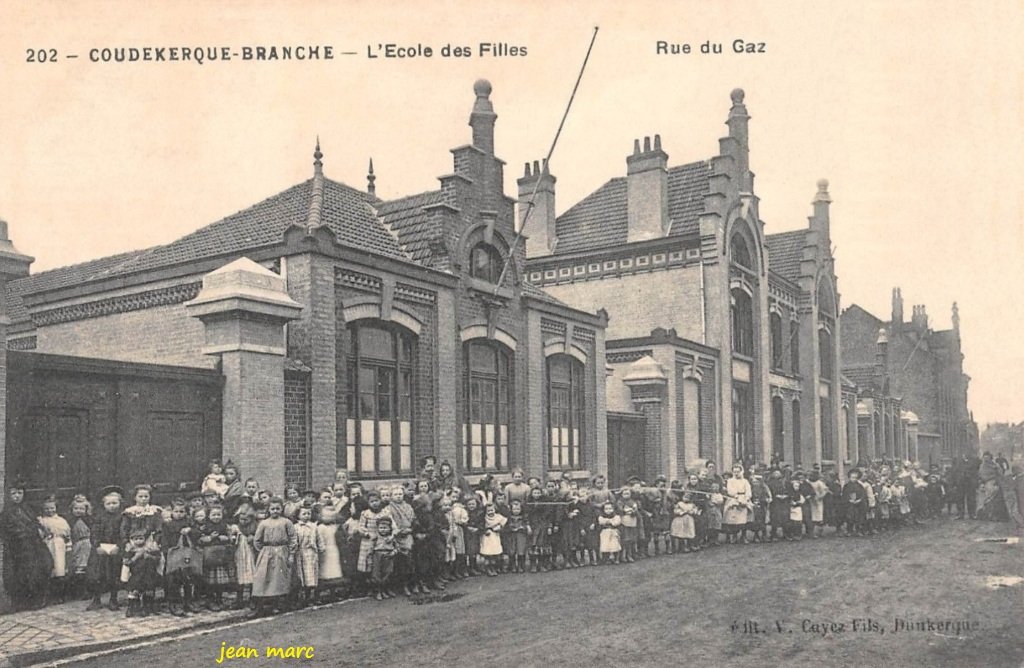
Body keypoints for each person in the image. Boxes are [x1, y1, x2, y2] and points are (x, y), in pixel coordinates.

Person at [252, 497, 297, 617]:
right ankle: (260, 605)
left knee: (278, 578)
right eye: (272, 509)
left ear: (282, 509)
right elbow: (257, 540)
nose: (275, 511)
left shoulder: (287, 522)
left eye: (278, 508)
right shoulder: (264, 523)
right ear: (269, 509)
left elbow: (293, 538)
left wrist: (291, 554)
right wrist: (263, 551)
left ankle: (278, 604)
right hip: (267, 551)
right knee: (262, 577)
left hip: (282, 550)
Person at [86, 486, 124, 612]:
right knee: (97, 575)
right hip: (101, 549)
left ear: (120, 503)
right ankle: (96, 599)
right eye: (109, 503)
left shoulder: (122, 517)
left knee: (114, 575)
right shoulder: (99, 517)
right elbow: (94, 533)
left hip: (115, 550)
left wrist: (119, 546)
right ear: (104, 504)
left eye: (115, 503)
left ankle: (113, 599)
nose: (112, 506)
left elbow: (123, 534)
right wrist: (97, 546)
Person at [162, 498, 199, 617]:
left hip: (187, 554)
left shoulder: (189, 523)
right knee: (174, 579)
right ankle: (174, 603)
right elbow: (164, 539)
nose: (179, 514)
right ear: (171, 512)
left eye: (182, 512)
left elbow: (197, 533)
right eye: (176, 511)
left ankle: (188, 601)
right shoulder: (168, 524)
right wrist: (166, 552)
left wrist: (190, 530)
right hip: (174, 554)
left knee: (188, 578)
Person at [198, 503, 235, 611]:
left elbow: (231, 537)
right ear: (208, 516)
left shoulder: (225, 526)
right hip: (209, 557)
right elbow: (200, 539)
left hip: (221, 557)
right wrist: (209, 537)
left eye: (218, 514)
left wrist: (226, 538)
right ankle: (210, 600)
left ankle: (219, 599)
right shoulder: (205, 526)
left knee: (220, 582)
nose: (216, 517)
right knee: (209, 582)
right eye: (213, 515)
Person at [38, 495, 73, 603]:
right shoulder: (42, 521)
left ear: (56, 508)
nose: (50, 510)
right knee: (49, 566)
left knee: (60, 567)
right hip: (48, 544)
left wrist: (68, 545)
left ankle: (60, 595)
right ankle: (49, 595)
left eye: (52, 508)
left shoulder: (61, 520)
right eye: (47, 508)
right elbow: (41, 534)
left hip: (59, 545)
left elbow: (67, 534)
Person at [123, 528, 161, 617]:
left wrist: (149, 556)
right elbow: (126, 562)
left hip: (149, 574)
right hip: (136, 574)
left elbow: (158, 559)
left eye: (141, 538)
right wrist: (135, 557)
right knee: (134, 590)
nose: (138, 541)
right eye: (136, 539)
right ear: (132, 540)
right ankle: (132, 607)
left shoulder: (150, 549)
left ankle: (147, 607)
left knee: (148, 590)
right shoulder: (131, 551)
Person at [292, 506, 324, 607]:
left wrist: (321, 548)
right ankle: (302, 596)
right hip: (300, 553)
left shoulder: (314, 527)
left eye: (308, 514)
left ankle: (311, 596)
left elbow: (319, 538)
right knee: (302, 575)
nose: (306, 516)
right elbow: (293, 540)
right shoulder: (295, 527)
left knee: (311, 575)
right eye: (304, 514)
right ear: (298, 515)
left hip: (311, 553)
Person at [232, 501, 258, 610]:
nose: (243, 521)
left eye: (246, 519)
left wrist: (253, 538)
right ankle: (239, 599)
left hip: (250, 554)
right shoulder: (236, 528)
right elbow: (232, 540)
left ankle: (253, 598)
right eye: (241, 519)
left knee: (252, 574)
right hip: (239, 554)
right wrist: (233, 538)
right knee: (239, 576)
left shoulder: (255, 528)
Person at [68, 496, 93, 600]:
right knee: (77, 566)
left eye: (81, 509)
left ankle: (86, 590)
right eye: (76, 509)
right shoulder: (71, 521)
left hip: (87, 543)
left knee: (85, 565)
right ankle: (78, 591)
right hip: (77, 544)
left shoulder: (89, 520)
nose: (78, 511)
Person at [723, 464, 752, 544]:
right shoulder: (730, 481)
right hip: (734, 498)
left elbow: (748, 491)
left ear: (741, 471)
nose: (736, 473)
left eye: (738, 471)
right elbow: (730, 491)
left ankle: (743, 536)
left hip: (744, 498)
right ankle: (734, 536)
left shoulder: (745, 481)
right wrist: (736, 497)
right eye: (734, 472)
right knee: (733, 518)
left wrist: (746, 498)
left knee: (745, 518)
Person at [371, 516, 398, 600]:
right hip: (378, 556)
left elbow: (397, 547)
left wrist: (393, 552)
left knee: (388, 573)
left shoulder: (391, 539)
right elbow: (371, 548)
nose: (383, 530)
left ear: (390, 529)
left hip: (388, 556)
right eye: (381, 528)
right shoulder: (375, 538)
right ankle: (379, 591)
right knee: (377, 573)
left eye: (385, 528)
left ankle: (386, 590)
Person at [480, 503, 506, 576]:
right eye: (488, 511)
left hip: (495, 536)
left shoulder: (498, 517)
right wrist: (485, 530)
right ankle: (488, 568)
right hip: (487, 537)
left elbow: (503, 522)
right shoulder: (483, 518)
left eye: (492, 510)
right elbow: (480, 525)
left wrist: (499, 527)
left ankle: (494, 567)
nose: (490, 512)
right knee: (488, 553)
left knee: (495, 552)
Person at [843, 470, 867, 536]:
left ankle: (858, 530)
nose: (854, 479)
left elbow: (863, 494)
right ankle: (849, 530)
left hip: (858, 504)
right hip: (850, 504)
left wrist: (859, 500)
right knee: (849, 517)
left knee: (858, 517)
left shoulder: (860, 486)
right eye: (852, 477)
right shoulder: (846, 486)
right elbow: (844, 495)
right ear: (849, 478)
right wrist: (849, 500)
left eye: (855, 478)